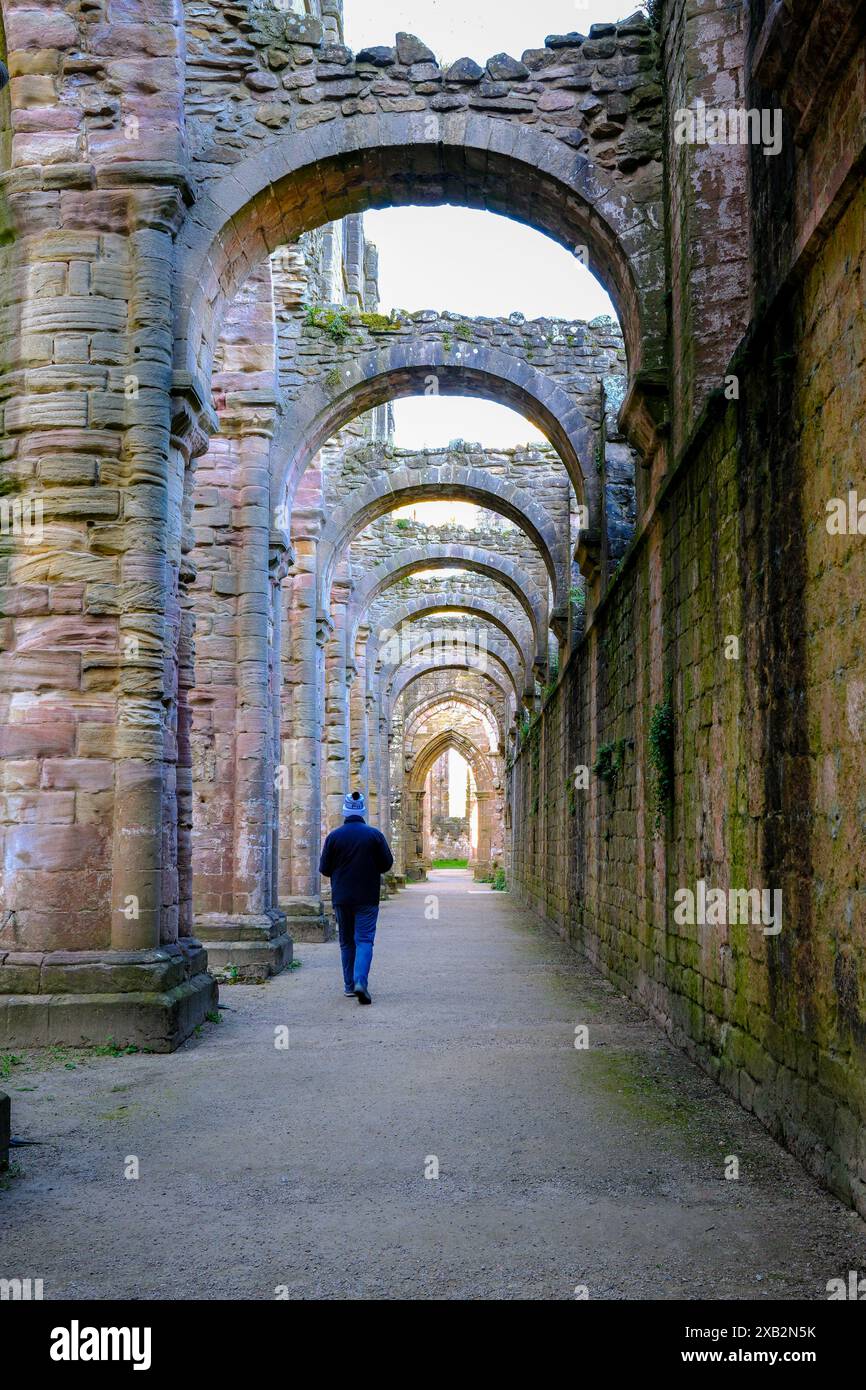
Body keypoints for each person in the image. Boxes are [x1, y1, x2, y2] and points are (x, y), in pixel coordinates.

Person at [319, 791, 393, 1005]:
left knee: (346, 941)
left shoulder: (334, 836)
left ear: (344, 811)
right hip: (367, 897)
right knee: (364, 940)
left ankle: (349, 987)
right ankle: (361, 981)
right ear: (362, 810)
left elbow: (324, 869)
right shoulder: (374, 835)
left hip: (342, 897)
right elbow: (387, 864)